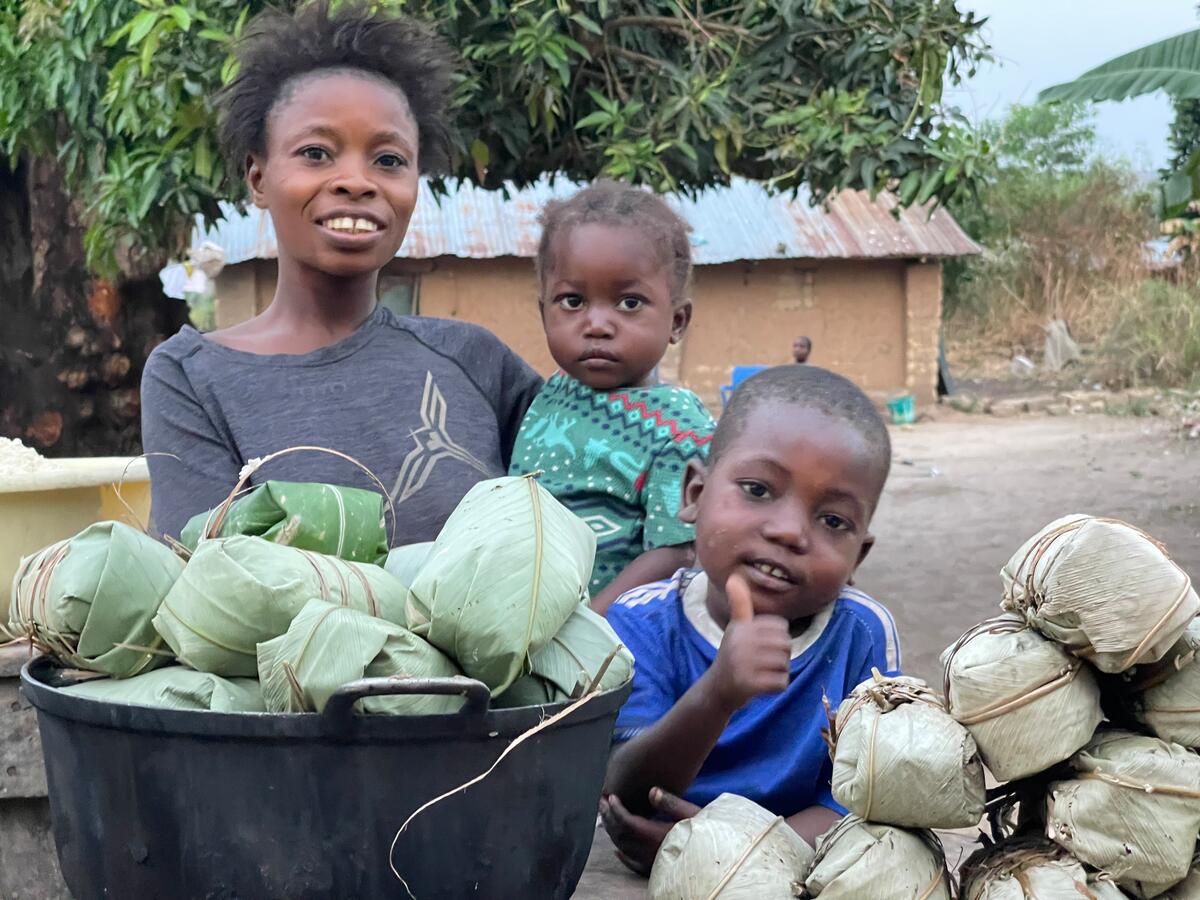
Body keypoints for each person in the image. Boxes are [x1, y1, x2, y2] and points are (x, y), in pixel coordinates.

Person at [140, 1, 542, 545]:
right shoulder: (193, 378)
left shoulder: (474, 360)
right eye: (316, 153)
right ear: (258, 179)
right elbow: (210, 582)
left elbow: (583, 480)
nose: (356, 180)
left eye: (389, 160)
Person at [599, 364, 900, 874]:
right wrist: (718, 693)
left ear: (858, 557)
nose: (788, 532)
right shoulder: (639, 621)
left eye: (832, 521)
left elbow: (865, 805)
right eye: (758, 490)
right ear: (694, 493)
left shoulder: (863, 635)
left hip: (795, 865)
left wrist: (733, 854)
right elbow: (621, 787)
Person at [508, 182, 715, 614]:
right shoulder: (551, 394)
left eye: (629, 302)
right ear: (543, 311)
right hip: (523, 616)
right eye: (573, 301)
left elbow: (676, 554)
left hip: (615, 639)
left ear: (677, 322)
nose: (597, 323)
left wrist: (590, 625)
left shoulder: (679, 428)